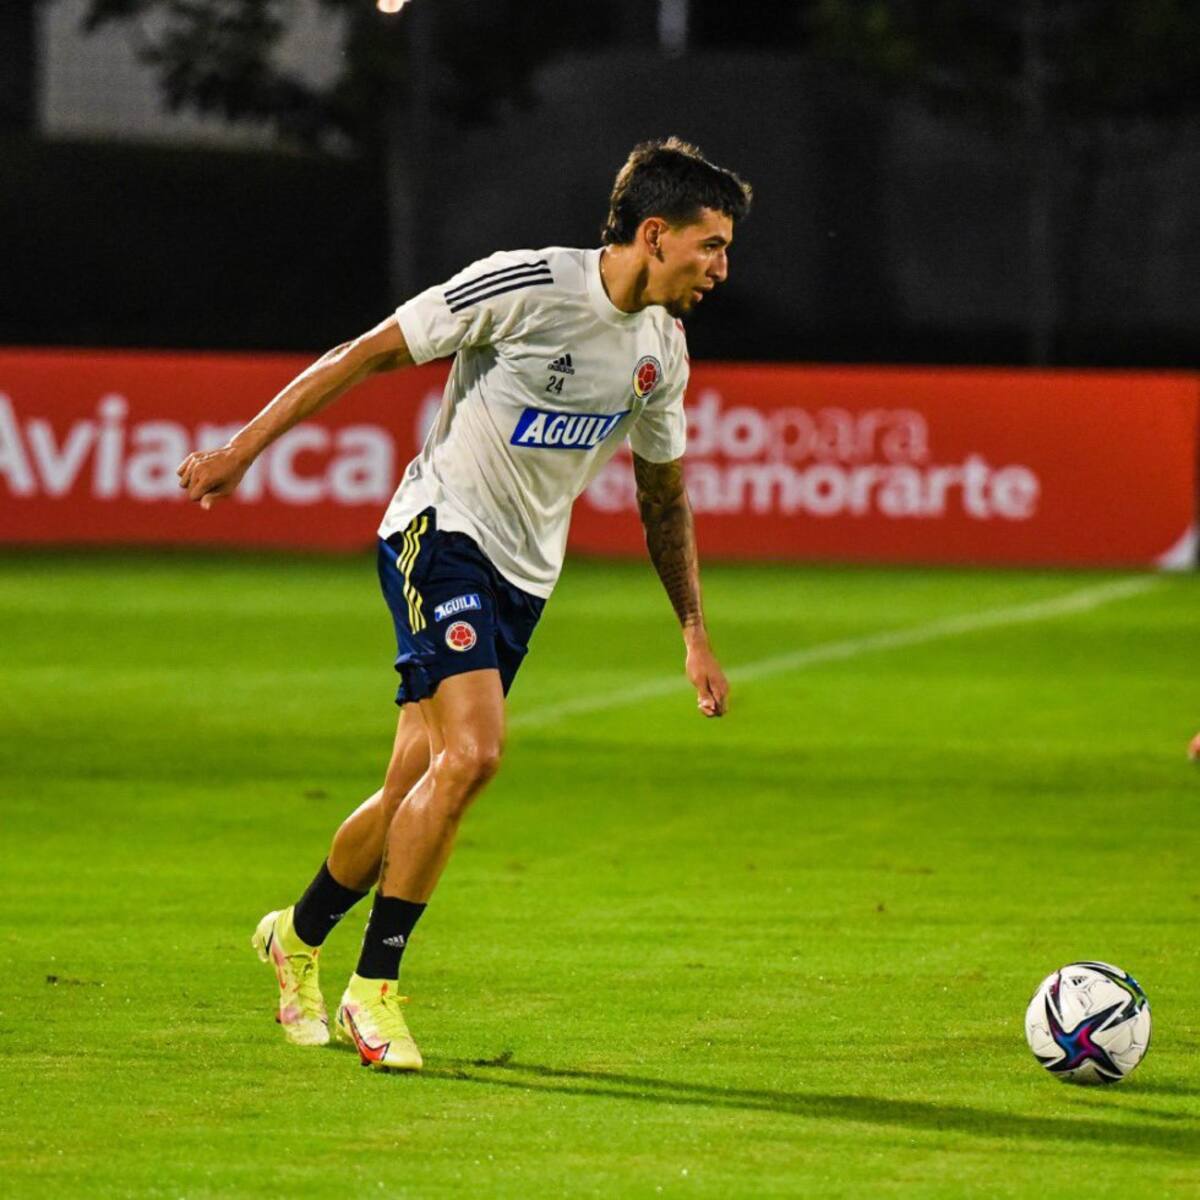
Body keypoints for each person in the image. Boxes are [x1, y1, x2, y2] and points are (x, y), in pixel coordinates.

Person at [177, 137, 752, 1071]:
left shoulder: (661, 352)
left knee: (414, 783)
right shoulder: (527, 286)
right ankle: (378, 992)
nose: (723, 267)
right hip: (437, 531)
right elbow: (367, 354)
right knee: (476, 753)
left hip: (524, 578)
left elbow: (662, 498)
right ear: (656, 233)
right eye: (712, 245)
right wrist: (243, 450)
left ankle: (295, 934)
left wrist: (694, 632)